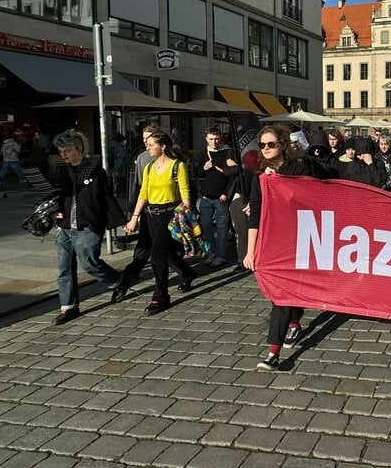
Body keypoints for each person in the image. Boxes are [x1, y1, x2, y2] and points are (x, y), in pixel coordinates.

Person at [242, 124, 314, 370]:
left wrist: (280, 184)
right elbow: (254, 216)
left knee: (282, 293)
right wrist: (250, 251)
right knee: (280, 291)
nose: (266, 148)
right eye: (262, 145)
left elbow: (309, 198)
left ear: (283, 145)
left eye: (271, 144)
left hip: (298, 238)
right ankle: (293, 322)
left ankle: (273, 351)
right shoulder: (259, 177)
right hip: (272, 241)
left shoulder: (299, 168)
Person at [50, 130, 125, 324]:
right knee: (64, 267)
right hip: (65, 225)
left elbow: (104, 197)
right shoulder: (63, 171)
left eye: (67, 150)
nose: (63, 154)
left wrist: (119, 220)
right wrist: (56, 208)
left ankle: (117, 281)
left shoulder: (95, 170)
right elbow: (58, 194)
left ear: (79, 149)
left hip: (88, 225)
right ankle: (68, 307)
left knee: (90, 263)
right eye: (61, 151)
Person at [115, 126, 197, 299]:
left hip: (170, 214)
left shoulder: (177, 166)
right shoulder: (149, 168)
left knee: (157, 254)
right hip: (151, 215)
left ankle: (160, 296)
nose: (147, 147)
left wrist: (187, 213)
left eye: (151, 144)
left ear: (163, 146)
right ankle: (187, 273)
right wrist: (134, 218)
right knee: (165, 252)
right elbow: (143, 193)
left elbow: (185, 191)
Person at [196, 127, 239, 268]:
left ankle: (220, 255)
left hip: (221, 197)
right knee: (206, 226)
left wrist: (226, 193)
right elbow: (199, 173)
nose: (214, 142)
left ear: (220, 139)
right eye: (211, 139)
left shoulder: (228, 152)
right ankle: (211, 252)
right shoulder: (203, 153)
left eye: (216, 139)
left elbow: (232, 176)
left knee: (221, 228)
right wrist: (204, 168)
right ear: (206, 139)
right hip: (206, 196)